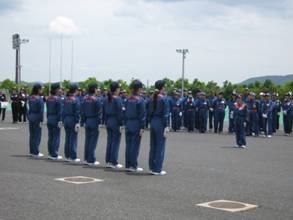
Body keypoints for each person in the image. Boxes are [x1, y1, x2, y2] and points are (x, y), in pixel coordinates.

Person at [148, 80, 169, 175]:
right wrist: (167, 126)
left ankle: (151, 167)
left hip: (153, 121)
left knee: (153, 146)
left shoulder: (152, 98)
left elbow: (149, 111)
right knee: (160, 146)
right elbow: (165, 114)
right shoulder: (164, 99)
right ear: (162, 87)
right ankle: (157, 169)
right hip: (160, 122)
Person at [124, 80, 146, 172]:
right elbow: (142, 115)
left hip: (128, 123)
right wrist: (142, 127)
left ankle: (128, 165)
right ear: (139, 88)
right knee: (135, 146)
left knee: (128, 145)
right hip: (136, 123)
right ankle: (133, 165)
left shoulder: (128, 99)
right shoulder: (140, 100)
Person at [80, 83, 102, 166]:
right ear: (94, 89)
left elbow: (82, 111)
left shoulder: (84, 98)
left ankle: (86, 158)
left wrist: (82, 122)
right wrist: (99, 123)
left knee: (88, 140)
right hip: (94, 120)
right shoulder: (96, 99)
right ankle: (91, 159)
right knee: (93, 141)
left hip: (87, 120)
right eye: (97, 89)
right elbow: (99, 113)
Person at [104, 82, 124, 169]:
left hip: (108, 120)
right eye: (119, 88)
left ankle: (108, 161)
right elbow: (120, 113)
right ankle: (113, 162)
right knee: (115, 142)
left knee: (110, 141)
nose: (119, 90)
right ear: (116, 89)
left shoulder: (106, 98)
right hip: (115, 121)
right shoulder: (118, 99)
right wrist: (121, 124)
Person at [62, 83, 81, 163]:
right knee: (73, 139)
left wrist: (63, 120)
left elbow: (62, 111)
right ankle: (73, 157)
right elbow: (77, 112)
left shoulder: (66, 99)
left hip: (66, 119)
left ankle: (67, 156)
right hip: (72, 119)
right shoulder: (76, 99)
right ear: (75, 90)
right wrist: (77, 122)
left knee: (67, 138)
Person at [46, 83, 63, 160]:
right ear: (56, 89)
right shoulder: (58, 99)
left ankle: (50, 153)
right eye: (59, 89)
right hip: (56, 118)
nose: (60, 90)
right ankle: (54, 154)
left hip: (49, 117)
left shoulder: (48, 98)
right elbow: (60, 111)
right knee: (56, 137)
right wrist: (60, 120)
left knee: (51, 137)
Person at [27, 83, 44, 157]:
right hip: (37, 117)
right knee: (37, 135)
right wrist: (41, 120)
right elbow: (41, 111)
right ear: (38, 89)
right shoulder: (39, 98)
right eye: (41, 89)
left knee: (32, 135)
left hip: (31, 117)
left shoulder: (30, 98)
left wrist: (28, 116)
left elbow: (27, 108)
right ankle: (36, 152)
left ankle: (31, 151)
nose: (42, 90)